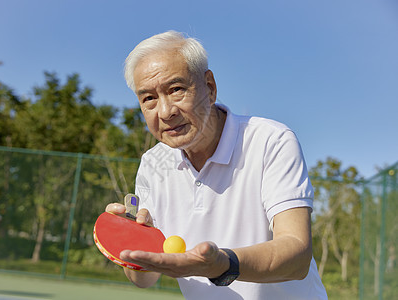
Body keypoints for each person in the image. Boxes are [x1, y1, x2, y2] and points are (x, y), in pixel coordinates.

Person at [106, 30, 327, 299]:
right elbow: (144, 279)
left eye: (176, 90)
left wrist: (223, 264)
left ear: (209, 87)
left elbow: (297, 253)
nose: (165, 112)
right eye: (149, 98)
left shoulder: (271, 140)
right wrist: (133, 242)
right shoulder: (153, 164)